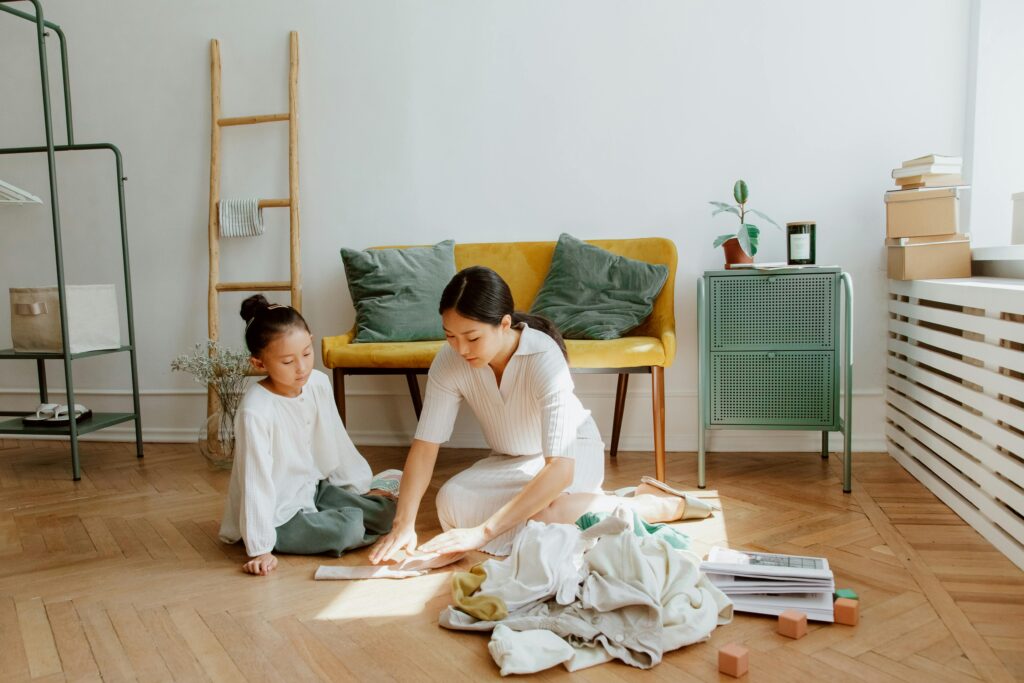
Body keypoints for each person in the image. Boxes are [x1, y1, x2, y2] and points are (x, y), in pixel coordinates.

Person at [369, 266, 714, 562]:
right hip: (511, 459)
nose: (460, 349)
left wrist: (484, 533)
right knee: (451, 504)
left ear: (504, 324)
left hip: (569, 453)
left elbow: (560, 469)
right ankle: (594, 505)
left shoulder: (542, 357)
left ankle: (656, 506)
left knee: (549, 515)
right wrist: (404, 524)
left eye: (472, 338)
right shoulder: (450, 362)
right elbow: (426, 444)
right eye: (450, 337)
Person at [219, 295, 401, 575]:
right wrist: (260, 548)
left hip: (314, 488)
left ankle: (346, 513)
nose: (302, 367)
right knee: (348, 529)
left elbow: (335, 441)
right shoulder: (255, 411)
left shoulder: (317, 383)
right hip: (279, 513)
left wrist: (357, 487)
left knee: (385, 514)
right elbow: (254, 481)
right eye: (288, 361)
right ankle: (335, 524)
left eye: (306, 353)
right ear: (259, 363)